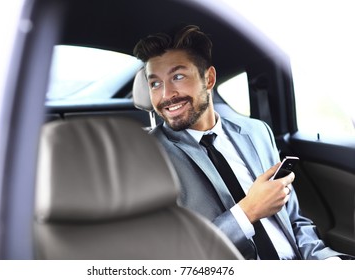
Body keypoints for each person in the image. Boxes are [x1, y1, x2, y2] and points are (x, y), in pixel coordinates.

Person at [133, 25, 353, 260]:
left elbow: (294, 221)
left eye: (178, 76)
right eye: (155, 83)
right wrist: (248, 211)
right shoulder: (146, 156)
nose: (166, 94)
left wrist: (327, 261)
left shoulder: (257, 132)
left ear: (209, 78)